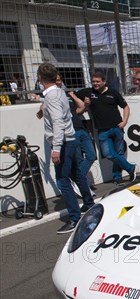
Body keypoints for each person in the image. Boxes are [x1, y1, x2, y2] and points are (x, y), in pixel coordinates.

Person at [37, 63, 94, 234]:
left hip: (64, 143)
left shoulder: (52, 96)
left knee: (63, 180)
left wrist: (56, 148)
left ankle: (74, 218)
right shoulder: (59, 92)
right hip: (70, 139)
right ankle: (89, 204)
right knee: (76, 174)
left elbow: (58, 122)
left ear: (40, 78)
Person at [77, 71, 136, 185]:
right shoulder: (88, 92)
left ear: (104, 82)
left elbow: (125, 107)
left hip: (117, 128)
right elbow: (72, 94)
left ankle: (117, 177)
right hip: (102, 131)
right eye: (93, 82)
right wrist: (84, 103)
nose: (95, 84)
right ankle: (130, 168)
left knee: (118, 154)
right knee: (109, 154)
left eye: (98, 81)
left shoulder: (113, 93)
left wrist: (124, 121)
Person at [57, 74, 97, 195]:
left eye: (60, 80)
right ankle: (81, 183)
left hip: (81, 129)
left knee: (91, 155)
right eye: (56, 81)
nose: (59, 82)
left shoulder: (66, 96)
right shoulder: (52, 97)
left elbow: (80, 108)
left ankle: (78, 180)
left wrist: (73, 95)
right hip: (70, 132)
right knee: (78, 160)